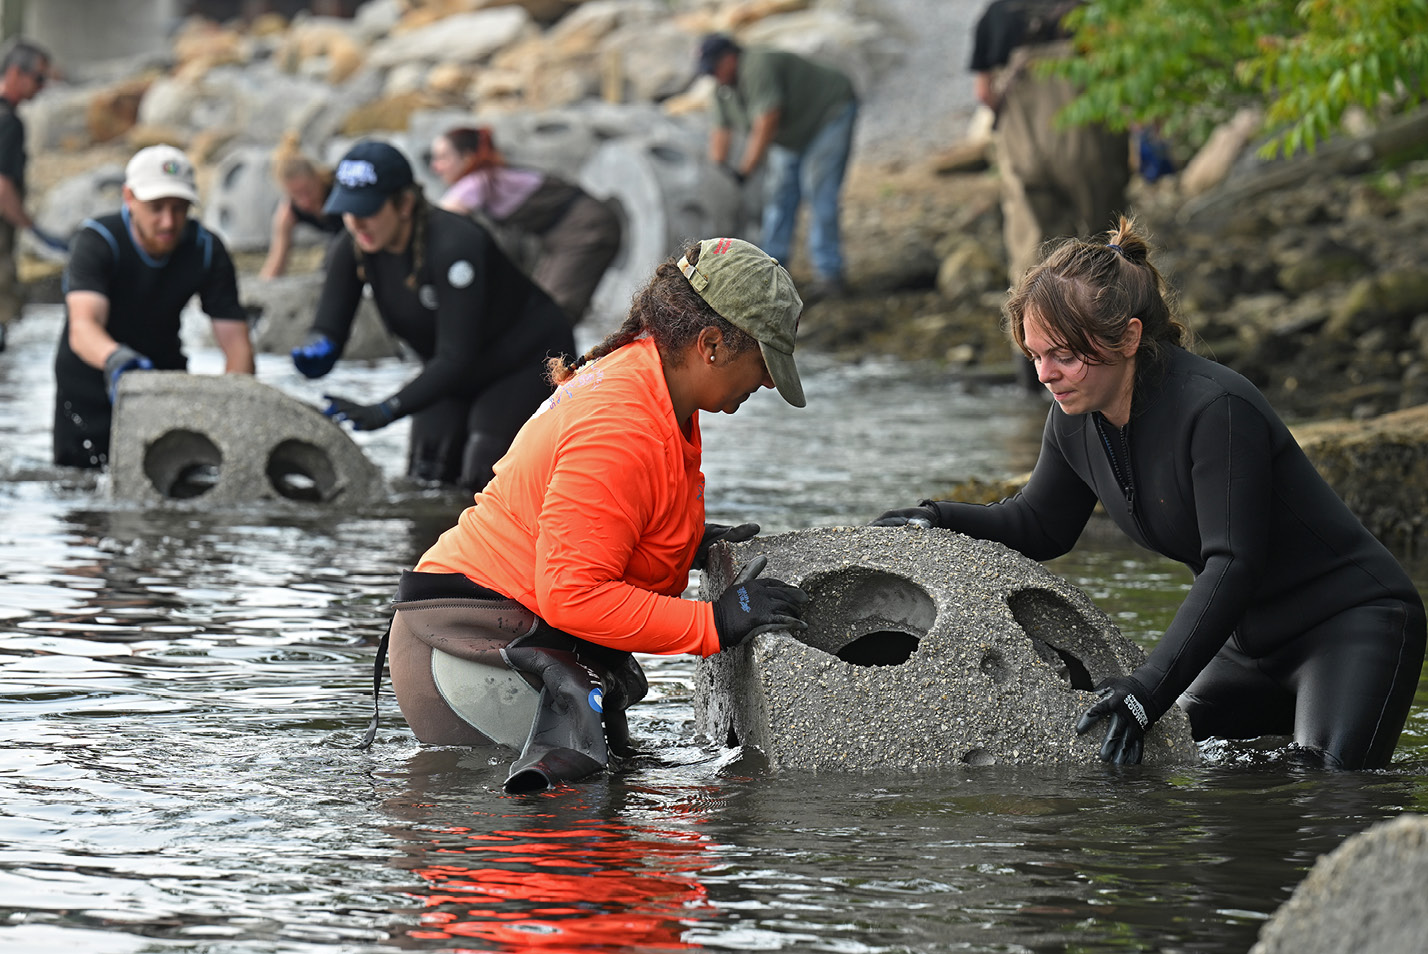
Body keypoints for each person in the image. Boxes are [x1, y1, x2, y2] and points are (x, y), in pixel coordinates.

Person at [872, 218, 1426, 770]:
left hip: (1349, 624)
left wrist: (1147, 689)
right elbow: (1039, 525)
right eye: (1035, 355)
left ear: (1130, 337)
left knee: (1328, 792)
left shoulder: (1216, 409)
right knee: (1154, 768)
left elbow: (1233, 562)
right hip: (1244, 646)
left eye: (1063, 355)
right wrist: (935, 518)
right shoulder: (1073, 419)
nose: (1046, 374)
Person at [371, 237, 810, 792]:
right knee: (569, 844)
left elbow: (599, 518)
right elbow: (573, 595)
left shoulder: (653, 380)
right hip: (471, 653)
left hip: (502, 628)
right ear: (713, 344)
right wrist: (713, 623)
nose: (768, 381)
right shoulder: (622, 425)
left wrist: (683, 541)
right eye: (764, 362)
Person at [295, 139, 574, 492]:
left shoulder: (456, 246)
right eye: (347, 211)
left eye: (367, 210)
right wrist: (317, 347)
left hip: (523, 359)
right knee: (426, 474)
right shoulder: (353, 246)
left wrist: (385, 409)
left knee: (484, 474)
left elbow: (456, 356)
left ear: (405, 204)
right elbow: (329, 326)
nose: (356, 222)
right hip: (450, 369)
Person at [53, 144, 255, 470]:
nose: (168, 222)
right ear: (129, 198)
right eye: (156, 207)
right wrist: (117, 361)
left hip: (163, 371)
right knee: (81, 488)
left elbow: (236, 343)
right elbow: (83, 327)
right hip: (89, 380)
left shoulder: (206, 250)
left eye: (179, 208)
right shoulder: (98, 240)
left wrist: (231, 407)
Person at [969, 1, 1129, 287]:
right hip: (1088, 143)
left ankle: (1037, 326)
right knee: (1104, 246)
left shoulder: (996, 13)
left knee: (1034, 255)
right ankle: (1108, 320)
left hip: (1023, 144)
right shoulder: (1091, 9)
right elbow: (1121, 75)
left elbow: (984, 92)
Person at [698, 33, 857, 302]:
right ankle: (772, 270)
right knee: (779, 197)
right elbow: (720, 131)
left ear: (730, 58)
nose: (713, 75)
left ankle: (829, 275)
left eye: (715, 68)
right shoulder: (722, 88)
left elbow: (767, 119)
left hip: (828, 115)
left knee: (819, 193)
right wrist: (720, 174)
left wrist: (745, 170)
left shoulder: (757, 66)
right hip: (792, 134)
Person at [428, 126, 621, 324]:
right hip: (562, 237)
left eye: (443, 158)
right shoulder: (494, 177)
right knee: (535, 306)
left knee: (553, 311)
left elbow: (440, 219)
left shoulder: (481, 180)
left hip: (586, 229)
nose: (436, 167)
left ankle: (554, 354)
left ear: (467, 158)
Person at [0, 39, 66, 354]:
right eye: (39, 78)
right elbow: (2, 188)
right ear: (16, 73)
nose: (42, 87)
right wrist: (34, 230)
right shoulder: (8, 122)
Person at [258, 134, 343, 280]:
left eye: (308, 191)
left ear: (317, 176)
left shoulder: (338, 186)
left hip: (358, 237)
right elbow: (276, 261)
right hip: (336, 242)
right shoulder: (287, 212)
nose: (305, 201)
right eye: (296, 195)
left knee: (336, 254)